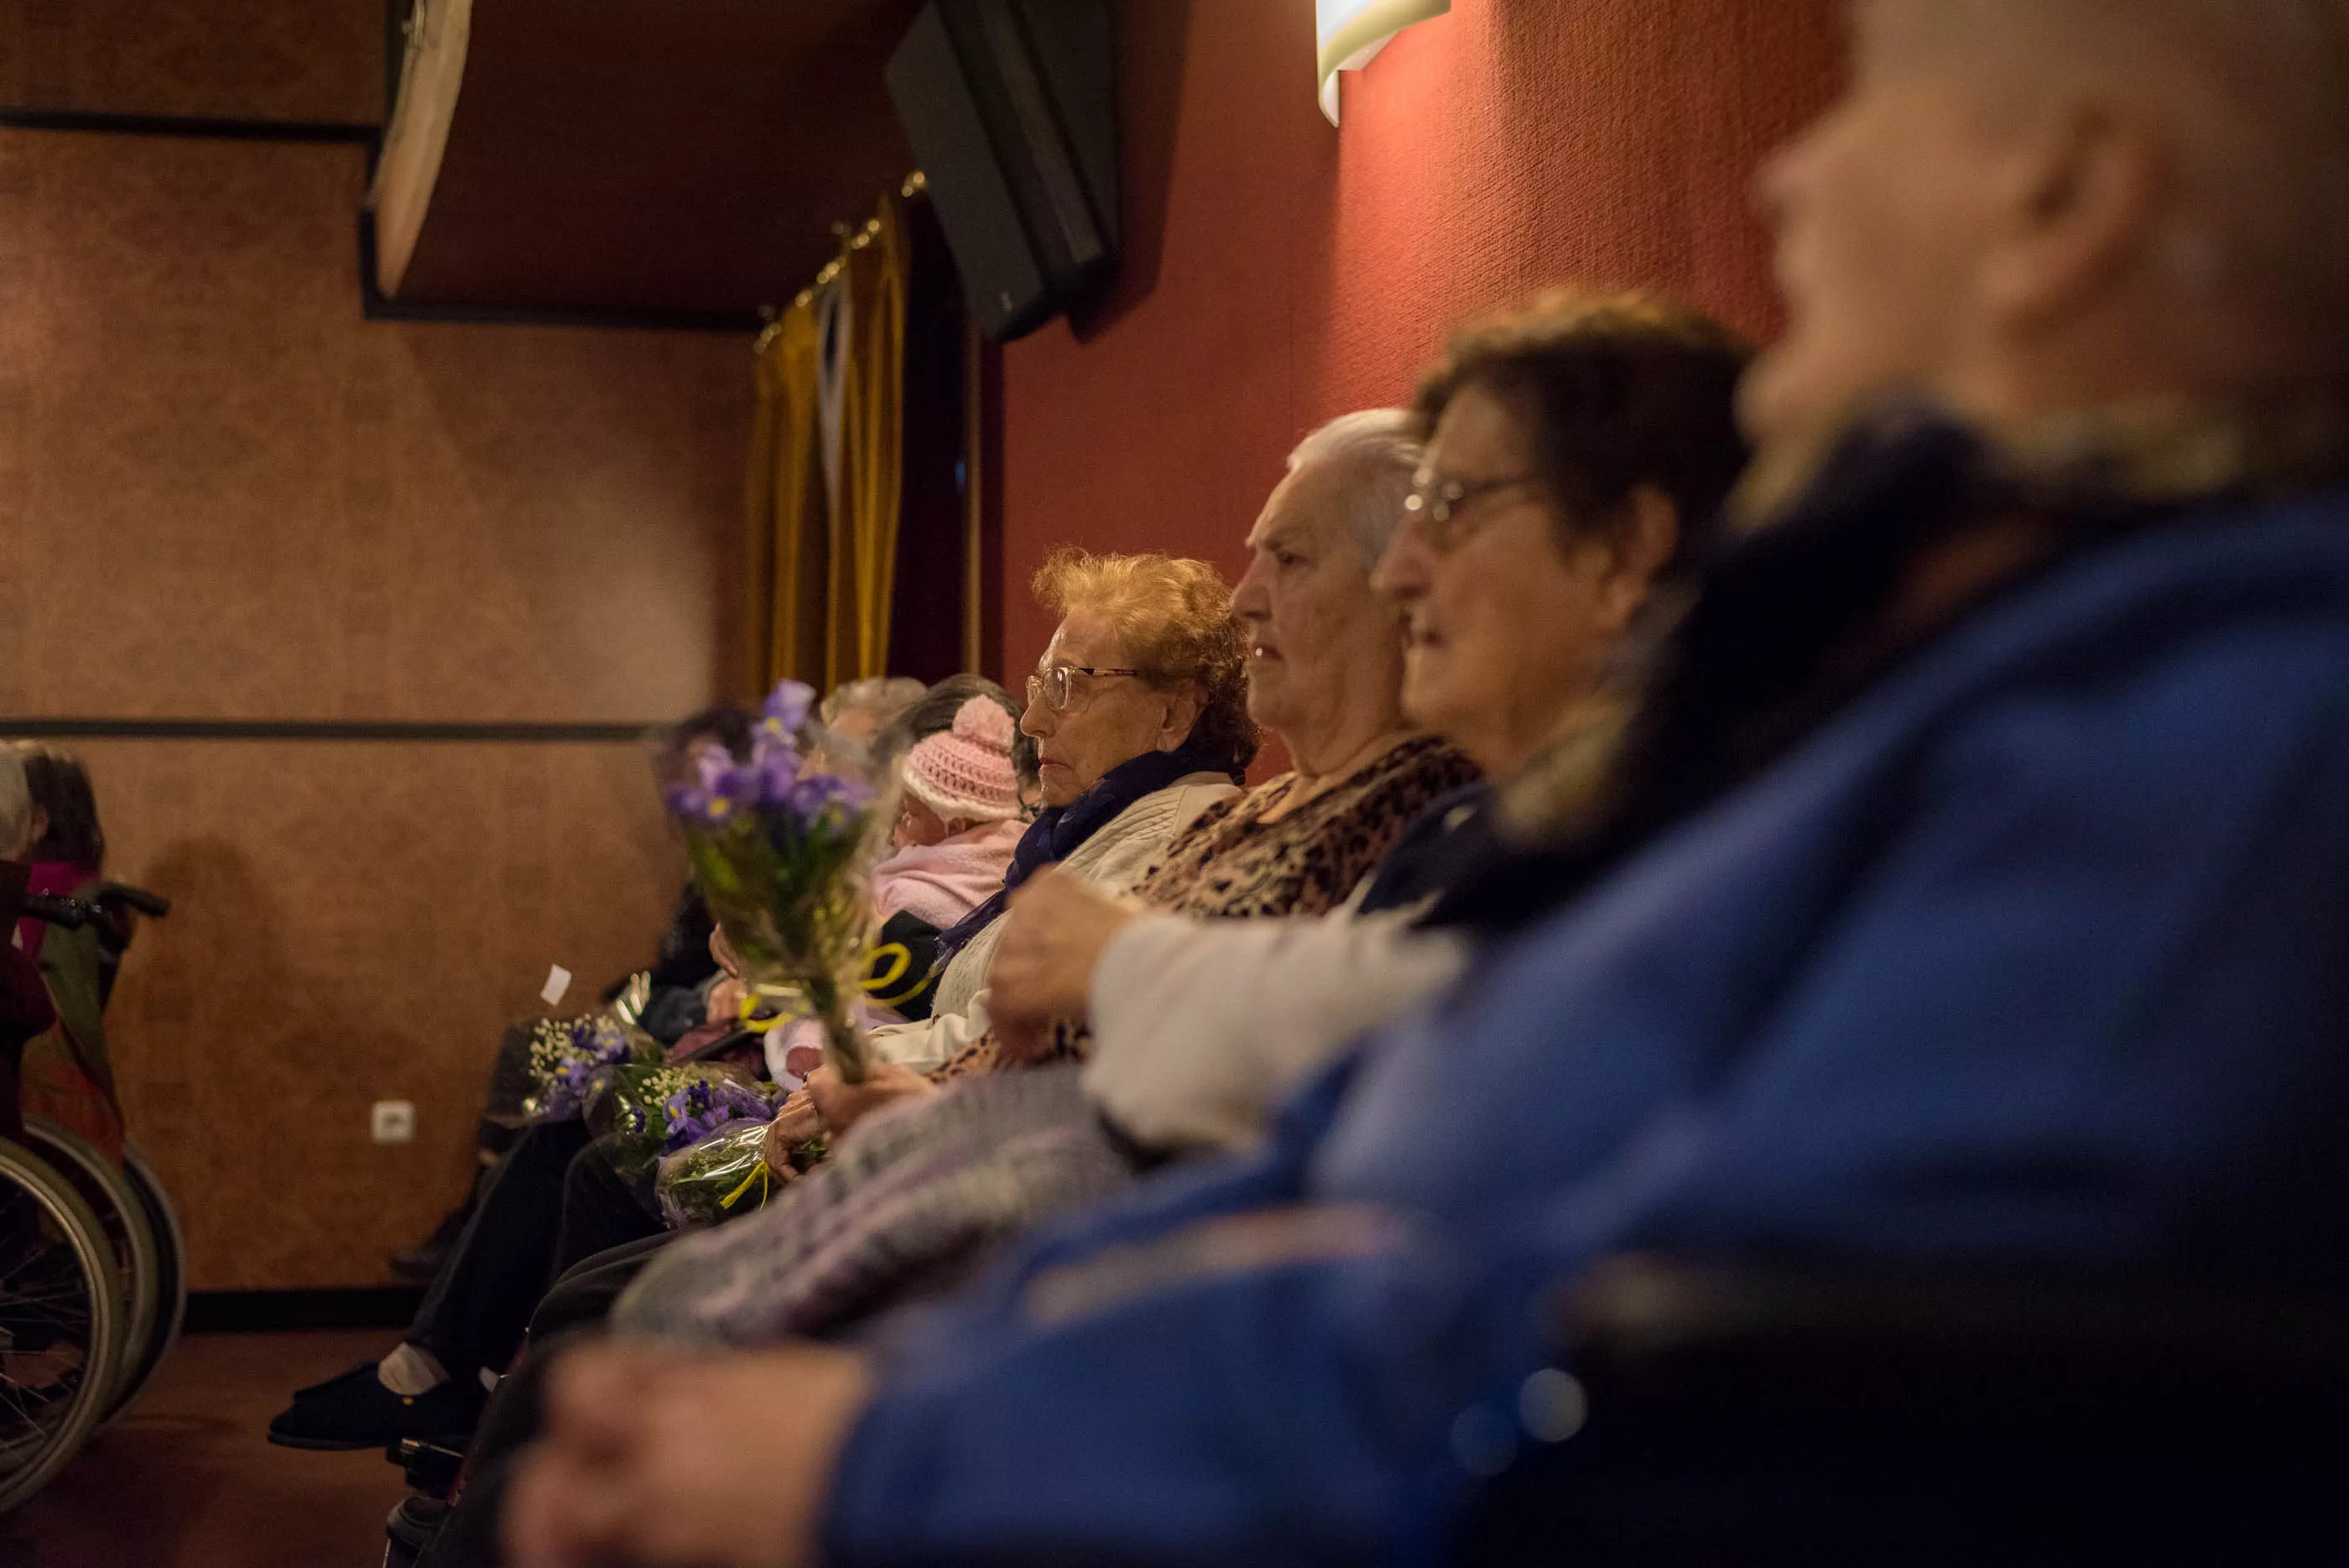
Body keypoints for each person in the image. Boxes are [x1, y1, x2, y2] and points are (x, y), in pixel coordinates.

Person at [503, 3, 2349, 1564]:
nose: (1789, 175)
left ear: (2063, 201)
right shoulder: (1967, 681)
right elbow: (1451, 1108)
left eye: (1867, 106)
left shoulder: (2203, 741)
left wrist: (885, 1449)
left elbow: (1665, 1337)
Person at [606, 410, 1482, 1347]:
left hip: (1056, 1242)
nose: (1246, 599)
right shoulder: (1222, 817)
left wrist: (924, 1098)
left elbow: (1197, 1093)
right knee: (621, 1274)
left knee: (629, 1315)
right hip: (971, 1163)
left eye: (1291, 560)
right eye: (1041, 683)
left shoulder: (1397, 818)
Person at [988, 294, 1751, 1155]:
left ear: (1623, 549)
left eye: (1454, 509)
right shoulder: (1500, 820)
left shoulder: (1708, 817)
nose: (1404, 574)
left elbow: (1410, 1063)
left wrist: (1118, 963)